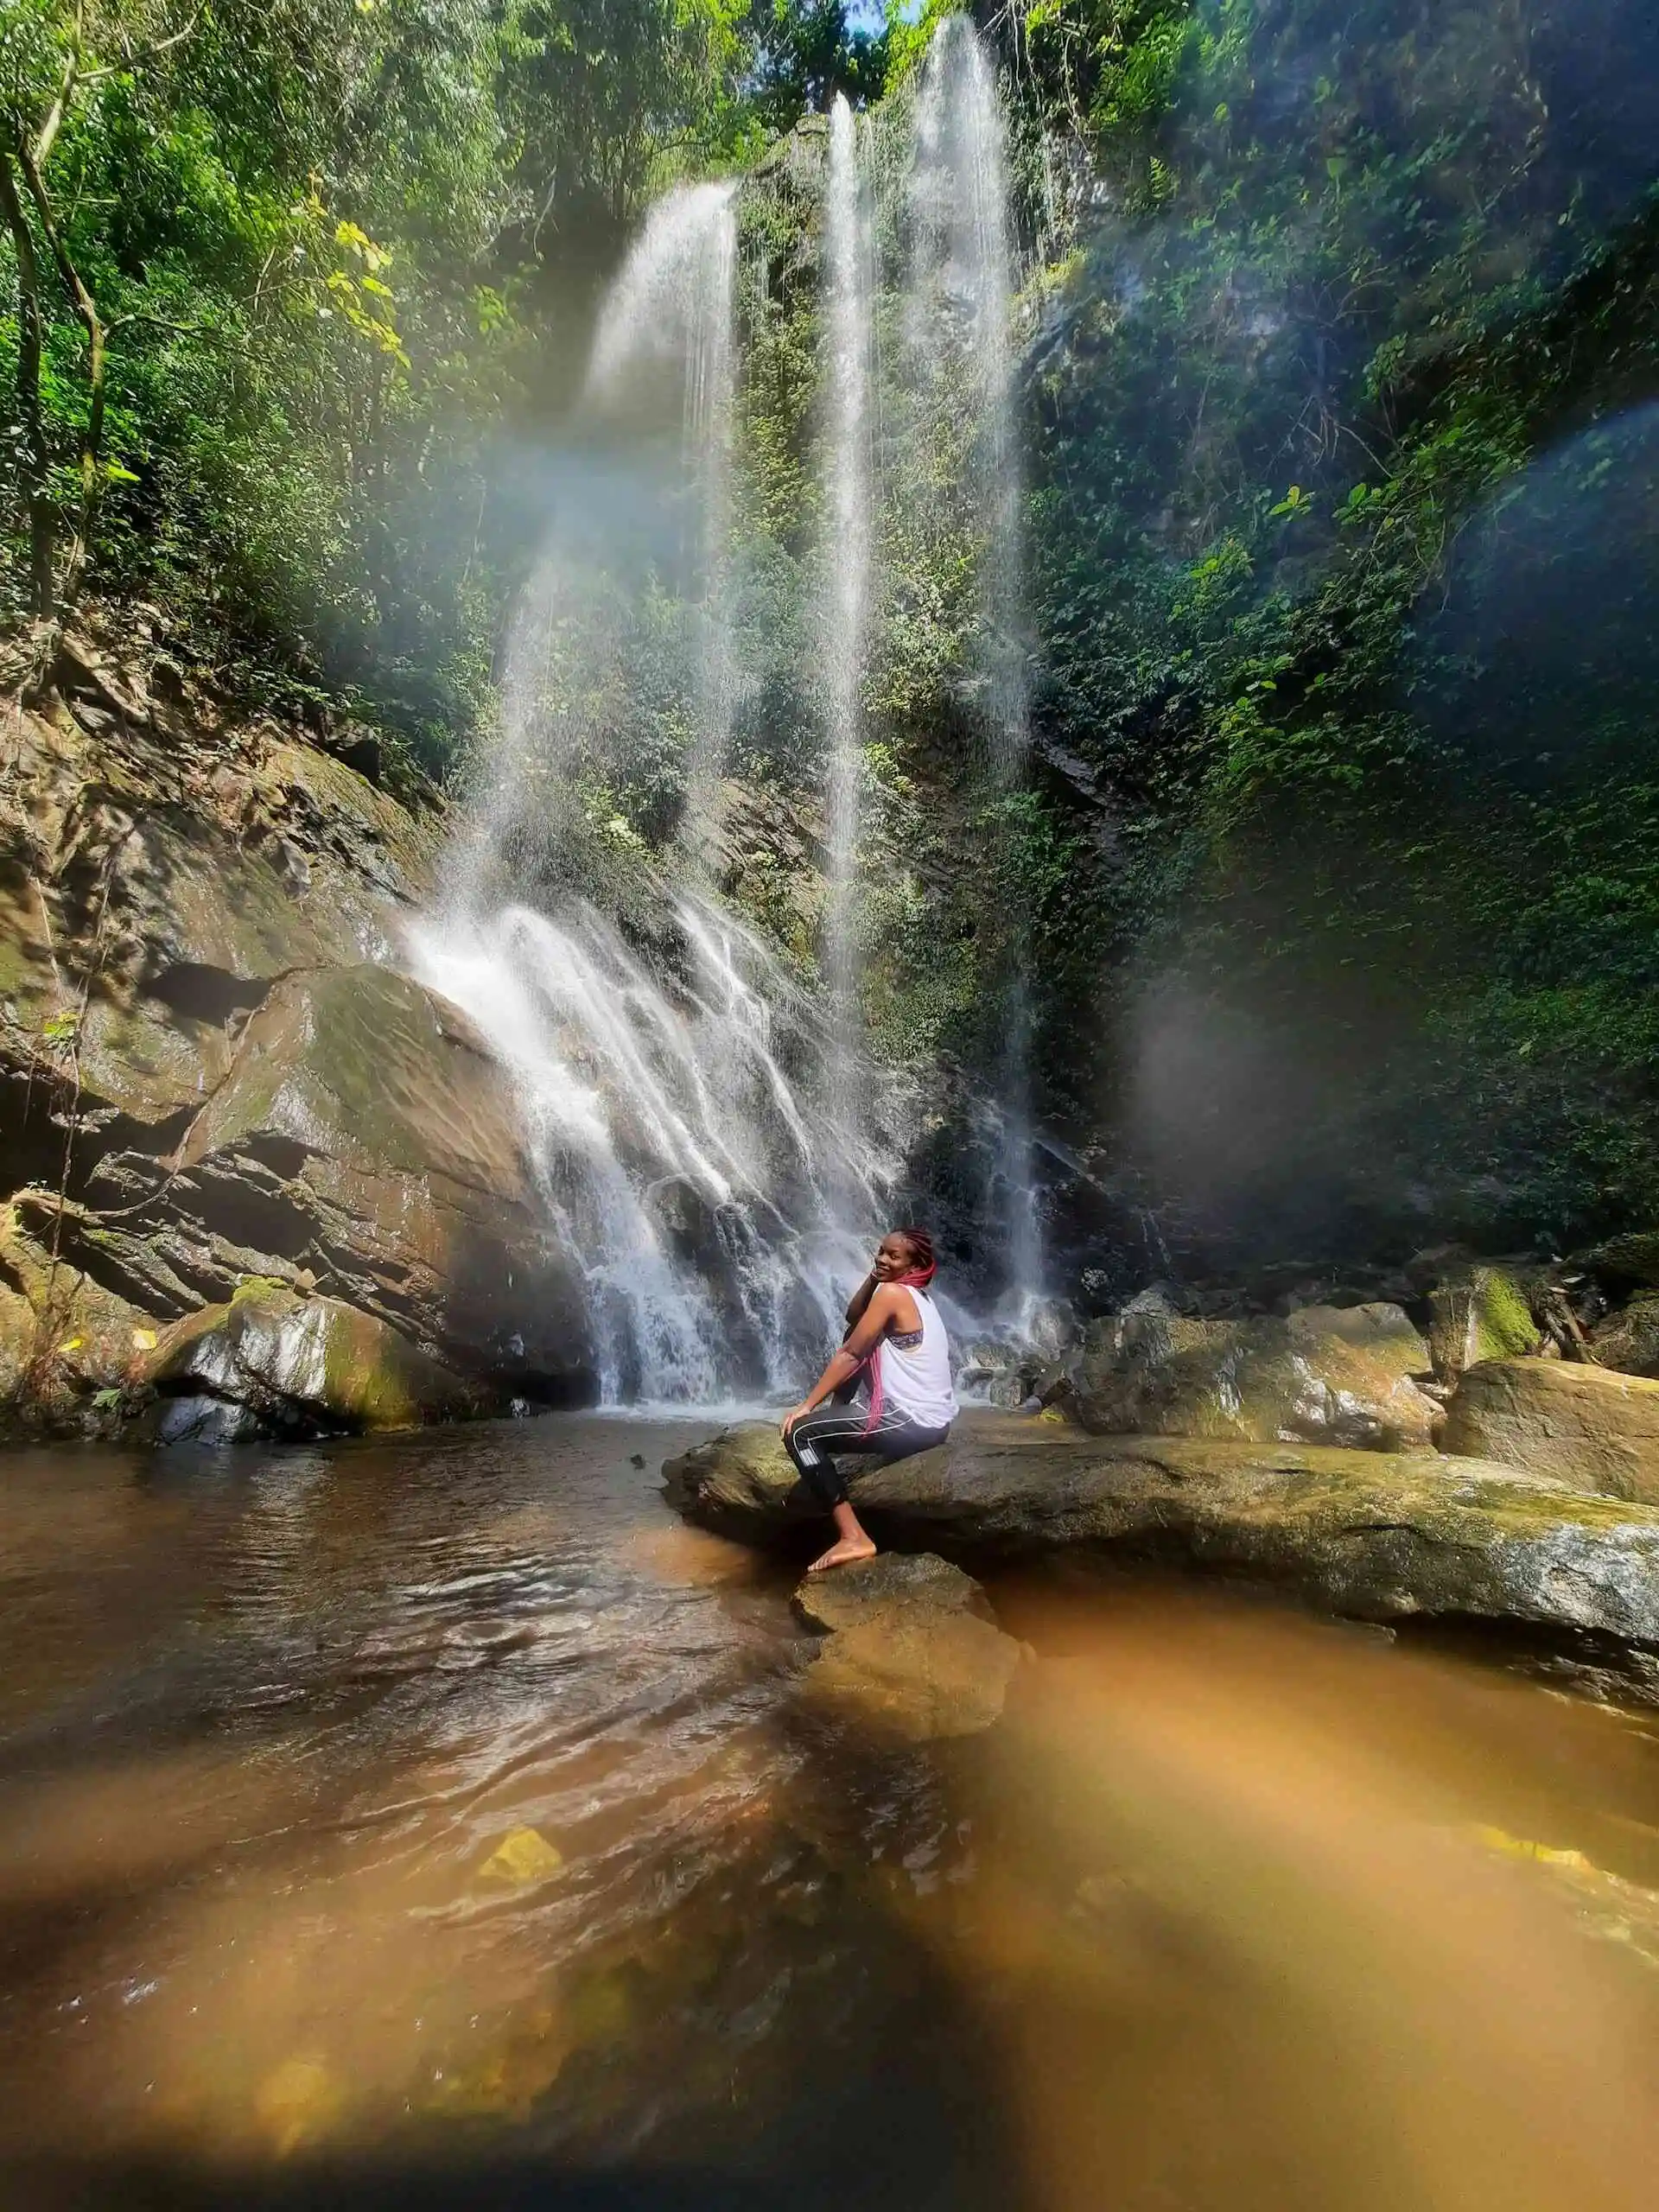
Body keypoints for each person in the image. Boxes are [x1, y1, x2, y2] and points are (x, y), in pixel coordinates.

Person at [780, 1227, 958, 1574]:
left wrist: (806, 1408)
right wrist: (876, 1276)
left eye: (893, 1256)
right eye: (880, 1252)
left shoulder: (894, 1294)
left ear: (914, 1265)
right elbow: (854, 1320)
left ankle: (853, 1536)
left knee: (800, 1434)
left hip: (912, 1420)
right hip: (933, 1422)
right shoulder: (913, 1295)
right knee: (856, 1331)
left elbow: (850, 1354)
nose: (881, 1259)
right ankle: (832, 1428)